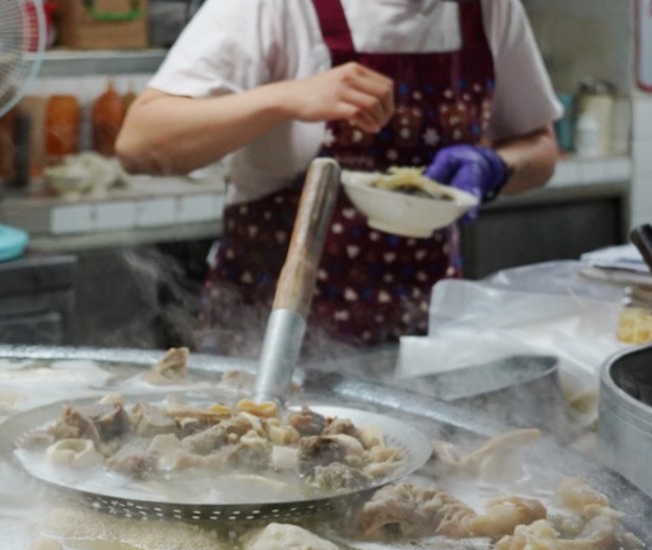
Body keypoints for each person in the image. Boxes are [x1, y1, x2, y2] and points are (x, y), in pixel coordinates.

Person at [115, 0, 560, 353]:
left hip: (423, 337)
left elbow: (540, 146)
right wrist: (283, 98)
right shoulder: (274, 8)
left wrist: (497, 167)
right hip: (267, 341)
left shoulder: (490, 8)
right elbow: (139, 143)